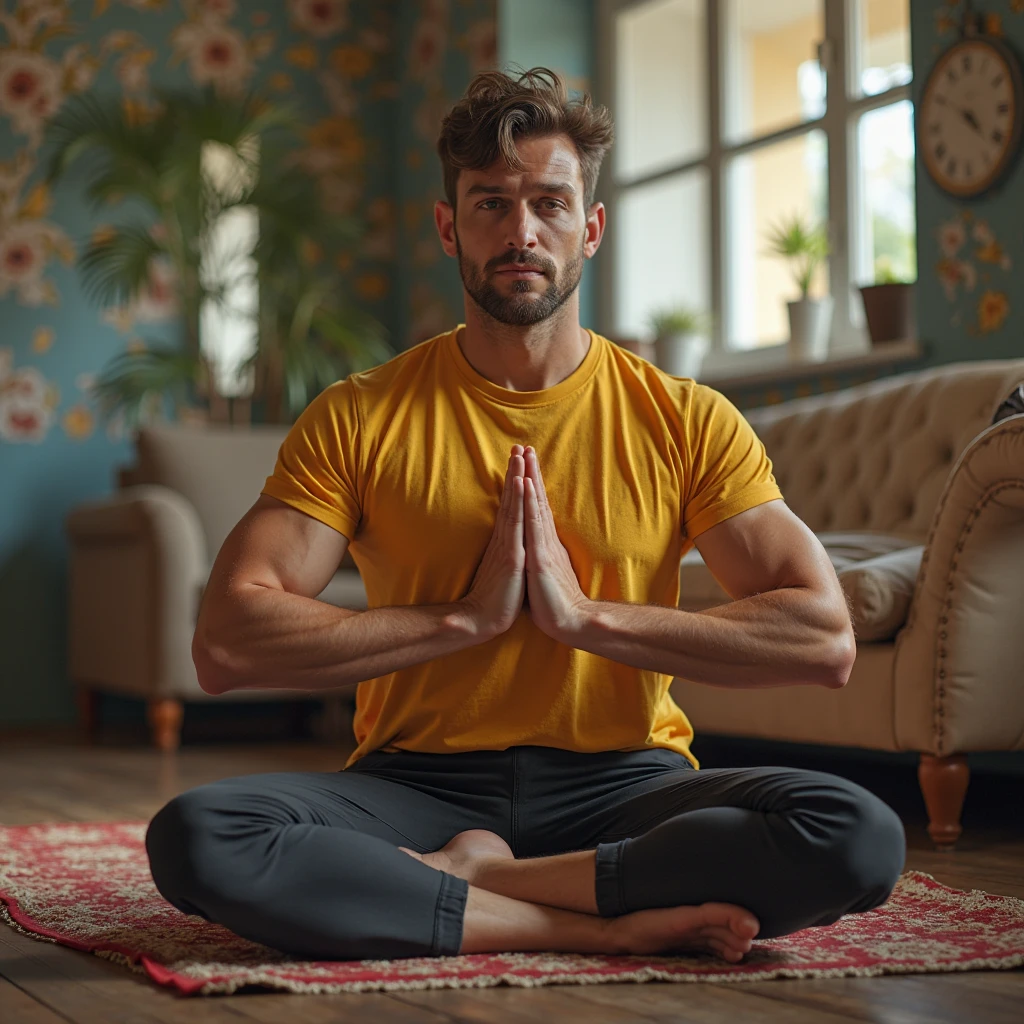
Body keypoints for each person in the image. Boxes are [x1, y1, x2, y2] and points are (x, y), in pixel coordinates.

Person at [146, 67, 906, 964]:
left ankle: (476, 886)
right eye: (491, 204)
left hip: (627, 783)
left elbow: (823, 638)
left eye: (550, 203)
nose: (521, 232)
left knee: (854, 834)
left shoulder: (684, 418)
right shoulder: (361, 415)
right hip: (416, 783)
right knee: (201, 835)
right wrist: (463, 620)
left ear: (591, 226)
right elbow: (226, 642)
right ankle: (594, 921)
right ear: (448, 227)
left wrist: (585, 620)